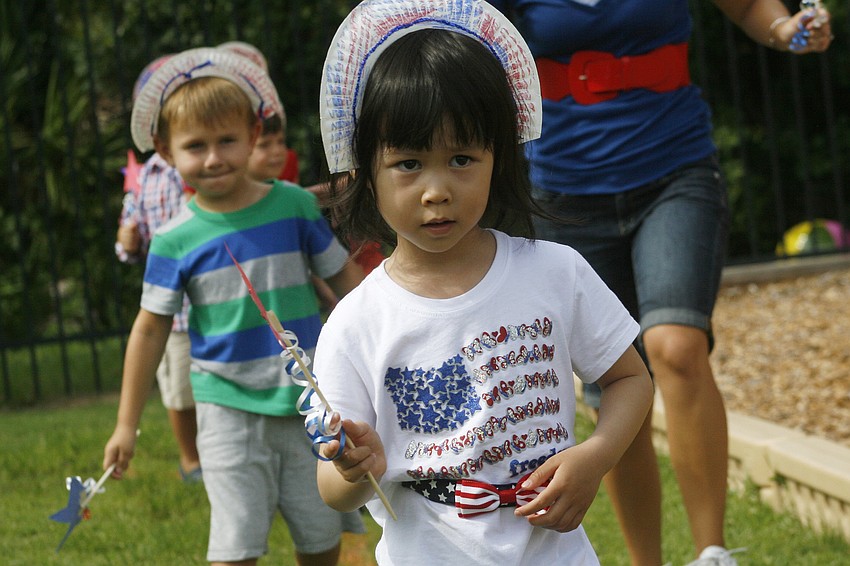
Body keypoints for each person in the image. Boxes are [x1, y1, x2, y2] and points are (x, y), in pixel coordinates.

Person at [486, 1, 834, 564]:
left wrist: (785, 28)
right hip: (565, 197)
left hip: (675, 173)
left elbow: (749, 6)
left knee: (676, 347)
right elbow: (469, 43)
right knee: (616, 384)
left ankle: (712, 554)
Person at [311, 1, 654, 564]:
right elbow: (332, 488)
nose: (437, 190)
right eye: (408, 164)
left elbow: (630, 379)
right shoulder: (355, 323)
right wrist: (355, 467)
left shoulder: (555, 272)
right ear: (365, 170)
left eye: (462, 158)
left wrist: (595, 456)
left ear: (499, 157)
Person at [103, 46, 366, 566]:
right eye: (195, 146)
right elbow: (150, 330)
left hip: (311, 401)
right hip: (226, 408)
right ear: (165, 151)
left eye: (226, 140)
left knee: (320, 540)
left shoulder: (295, 206)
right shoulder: (173, 239)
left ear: (253, 133)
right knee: (234, 546)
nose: (213, 158)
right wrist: (125, 424)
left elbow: (349, 285)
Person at [116, 53, 201, 483]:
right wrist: (126, 241)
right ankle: (191, 459)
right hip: (175, 309)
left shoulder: (204, 164)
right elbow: (130, 235)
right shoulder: (144, 178)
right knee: (180, 391)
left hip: (213, 298)